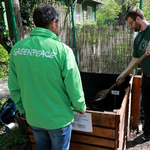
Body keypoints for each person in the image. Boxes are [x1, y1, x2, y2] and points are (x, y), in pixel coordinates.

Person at [8, 4, 86, 150]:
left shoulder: (17, 50)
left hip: (33, 117)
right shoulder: (63, 51)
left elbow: (14, 85)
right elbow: (73, 85)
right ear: (53, 22)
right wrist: (80, 106)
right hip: (58, 120)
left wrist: (21, 108)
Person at [116, 7, 150, 144]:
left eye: (131, 23)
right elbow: (135, 60)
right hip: (147, 77)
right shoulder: (138, 39)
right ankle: (147, 134)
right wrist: (123, 74)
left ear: (138, 19)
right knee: (147, 108)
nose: (130, 26)